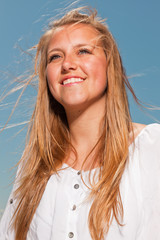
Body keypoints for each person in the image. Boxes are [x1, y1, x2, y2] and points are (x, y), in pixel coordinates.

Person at [0, 7, 160, 240]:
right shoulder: (34, 165)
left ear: (109, 65)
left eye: (83, 51)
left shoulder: (151, 148)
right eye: (55, 56)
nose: (68, 64)